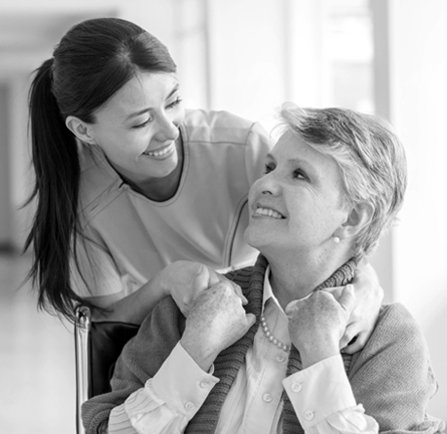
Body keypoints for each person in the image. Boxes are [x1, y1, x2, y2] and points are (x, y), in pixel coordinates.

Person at [81, 104, 444, 434]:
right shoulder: (193, 307)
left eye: (299, 175)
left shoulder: (390, 340)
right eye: (269, 167)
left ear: (352, 216)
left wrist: (321, 355)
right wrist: (193, 351)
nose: (263, 184)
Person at [26, 18, 381, 347]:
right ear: (83, 130)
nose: (169, 131)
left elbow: (325, 222)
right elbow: (104, 323)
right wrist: (165, 283)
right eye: (140, 123)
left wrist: (366, 282)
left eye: (173, 102)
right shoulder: (81, 201)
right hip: (166, 344)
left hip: (269, 325)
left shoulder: (240, 148)